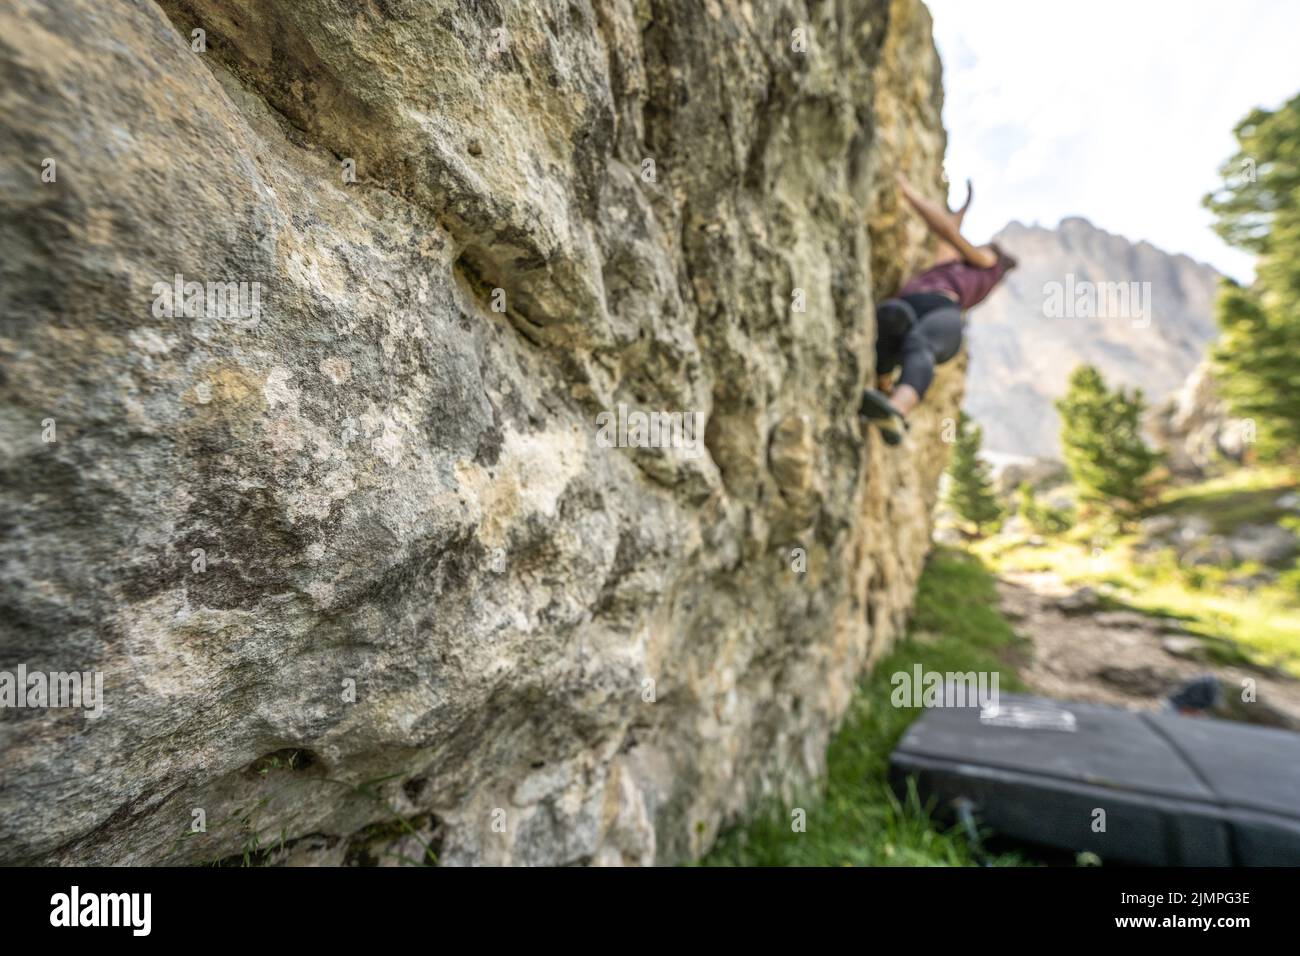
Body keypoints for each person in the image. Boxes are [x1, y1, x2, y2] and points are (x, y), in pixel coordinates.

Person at [860, 173, 1017, 445]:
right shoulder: (950, 267)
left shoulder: (990, 263)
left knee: (921, 343)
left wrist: (908, 192)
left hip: (943, 313)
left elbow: (947, 232)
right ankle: (883, 383)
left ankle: (896, 411)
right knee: (892, 315)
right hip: (910, 308)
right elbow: (948, 235)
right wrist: (963, 210)